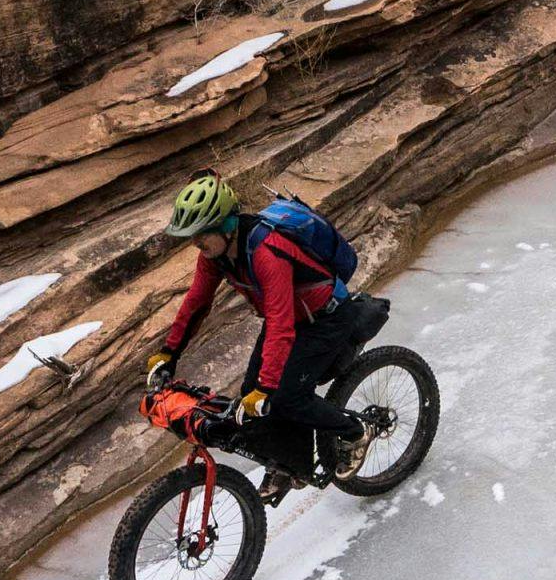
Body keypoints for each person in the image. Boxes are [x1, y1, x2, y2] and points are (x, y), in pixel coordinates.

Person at [145, 170, 383, 503]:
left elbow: (281, 322)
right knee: (250, 393)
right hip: (291, 318)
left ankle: (355, 432)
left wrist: (268, 387)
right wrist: (169, 352)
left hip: (326, 318)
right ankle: (291, 463)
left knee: (284, 396)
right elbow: (197, 302)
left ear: (226, 225)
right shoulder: (214, 256)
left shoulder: (267, 251)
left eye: (201, 234)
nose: (196, 243)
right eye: (191, 236)